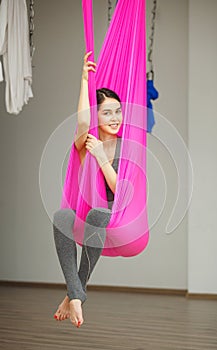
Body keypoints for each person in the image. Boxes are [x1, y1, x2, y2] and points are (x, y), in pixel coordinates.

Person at [53, 51, 122, 329]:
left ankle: (73, 294)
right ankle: (77, 293)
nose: (115, 117)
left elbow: (121, 191)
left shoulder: (128, 146)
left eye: (118, 110)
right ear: (97, 115)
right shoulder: (87, 140)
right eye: (107, 112)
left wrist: (103, 159)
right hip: (88, 210)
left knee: (99, 213)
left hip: (114, 215)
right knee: (61, 217)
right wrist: (84, 80)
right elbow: (82, 122)